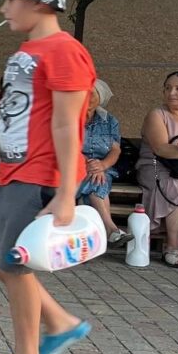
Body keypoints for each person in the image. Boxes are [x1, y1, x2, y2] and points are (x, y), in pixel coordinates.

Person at [0, 0, 96, 354]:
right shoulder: (28, 51)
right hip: (9, 174)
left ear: (37, 1)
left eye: (9, 0)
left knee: (17, 267)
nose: (4, 9)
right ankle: (59, 322)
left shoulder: (66, 52)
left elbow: (67, 125)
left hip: (38, 177)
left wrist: (65, 195)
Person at [136, 71, 178, 267]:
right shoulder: (157, 115)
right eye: (167, 88)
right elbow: (162, 149)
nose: (171, 93)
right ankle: (173, 248)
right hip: (155, 166)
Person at [77, 79, 132, 248]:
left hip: (103, 167)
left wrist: (102, 165)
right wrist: (89, 164)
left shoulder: (110, 121)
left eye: (91, 93)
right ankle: (110, 229)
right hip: (73, 165)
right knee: (95, 179)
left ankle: (96, 236)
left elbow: (115, 150)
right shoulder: (69, 116)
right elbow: (65, 146)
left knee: (99, 178)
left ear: (101, 97)